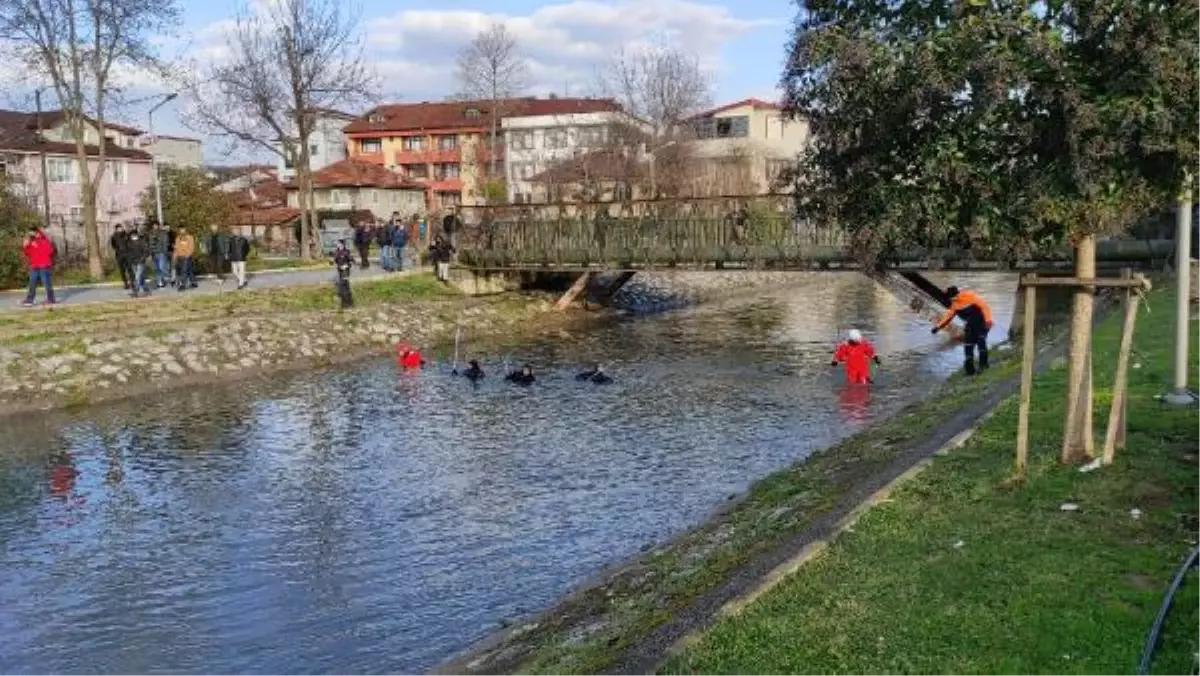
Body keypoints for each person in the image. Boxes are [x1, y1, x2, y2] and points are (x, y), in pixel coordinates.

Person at [933, 286, 993, 375]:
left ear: (957, 294)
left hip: (982, 323)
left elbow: (985, 307)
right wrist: (938, 327)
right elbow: (948, 317)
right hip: (969, 326)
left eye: (953, 298)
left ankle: (983, 365)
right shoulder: (954, 305)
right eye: (951, 299)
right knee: (968, 347)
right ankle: (970, 371)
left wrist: (988, 320)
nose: (953, 300)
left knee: (981, 343)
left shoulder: (970, 296)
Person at [21, 228, 56, 306]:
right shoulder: (32, 242)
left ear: (38, 233)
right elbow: (28, 253)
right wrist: (26, 246)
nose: (32, 235)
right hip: (34, 266)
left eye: (34, 233)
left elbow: (50, 251)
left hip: (44, 265)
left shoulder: (45, 241)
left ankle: (51, 299)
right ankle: (29, 300)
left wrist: (38, 245)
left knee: (47, 283)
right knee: (32, 283)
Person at [125, 227, 152, 297]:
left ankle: (135, 291)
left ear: (136, 235)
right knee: (141, 277)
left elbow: (147, 251)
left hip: (140, 262)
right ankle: (147, 290)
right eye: (131, 235)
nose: (133, 236)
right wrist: (129, 260)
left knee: (137, 277)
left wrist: (142, 259)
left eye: (134, 235)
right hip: (133, 262)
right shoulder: (129, 243)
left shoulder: (142, 242)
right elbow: (128, 253)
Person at [148, 220, 171, 288]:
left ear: (158, 225)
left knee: (161, 268)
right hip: (153, 253)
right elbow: (149, 243)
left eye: (156, 225)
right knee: (157, 268)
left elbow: (166, 242)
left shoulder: (162, 233)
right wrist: (150, 252)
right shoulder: (150, 233)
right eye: (154, 225)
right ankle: (160, 282)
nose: (155, 226)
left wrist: (164, 251)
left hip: (161, 252)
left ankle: (161, 280)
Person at [331, 239, 354, 308]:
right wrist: (331, 261)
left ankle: (348, 303)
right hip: (340, 270)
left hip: (346, 270)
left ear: (342, 244)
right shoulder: (336, 252)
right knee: (342, 286)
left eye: (338, 243)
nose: (337, 245)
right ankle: (345, 303)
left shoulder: (346, 252)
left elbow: (351, 261)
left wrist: (346, 265)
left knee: (345, 285)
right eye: (337, 243)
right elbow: (333, 261)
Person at [110, 224, 131, 289]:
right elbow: (113, 245)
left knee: (129, 269)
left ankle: (132, 282)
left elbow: (129, 242)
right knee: (122, 270)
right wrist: (117, 250)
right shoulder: (114, 236)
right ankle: (125, 283)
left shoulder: (126, 235)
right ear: (116, 229)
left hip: (127, 254)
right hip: (119, 255)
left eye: (121, 228)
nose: (120, 229)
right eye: (119, 228)